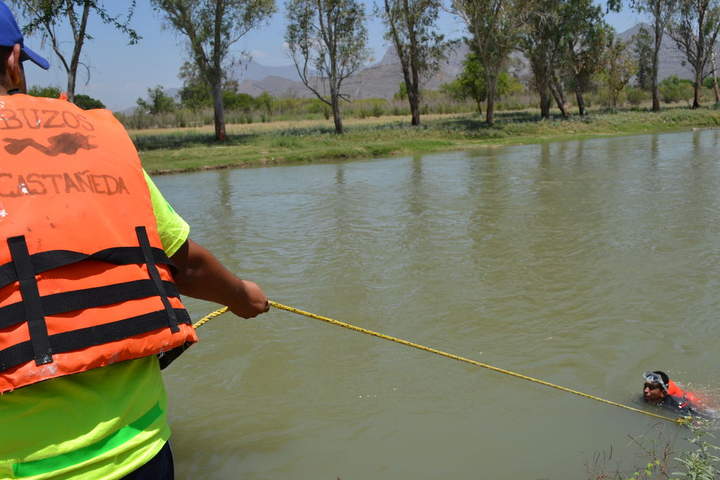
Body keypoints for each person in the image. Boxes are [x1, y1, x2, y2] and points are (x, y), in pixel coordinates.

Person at [0, 2, 270, 478]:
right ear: (12, 61)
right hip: (137, 451)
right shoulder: (90, 144)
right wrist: (242, 296)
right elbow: (185, 264)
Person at [642, 371, 713, 419]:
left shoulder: (678, 404)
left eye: (651, 388)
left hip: (690, 399)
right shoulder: (647, 397)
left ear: (663, 393)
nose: (645, 390)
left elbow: (703, 418)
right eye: (645, 386)